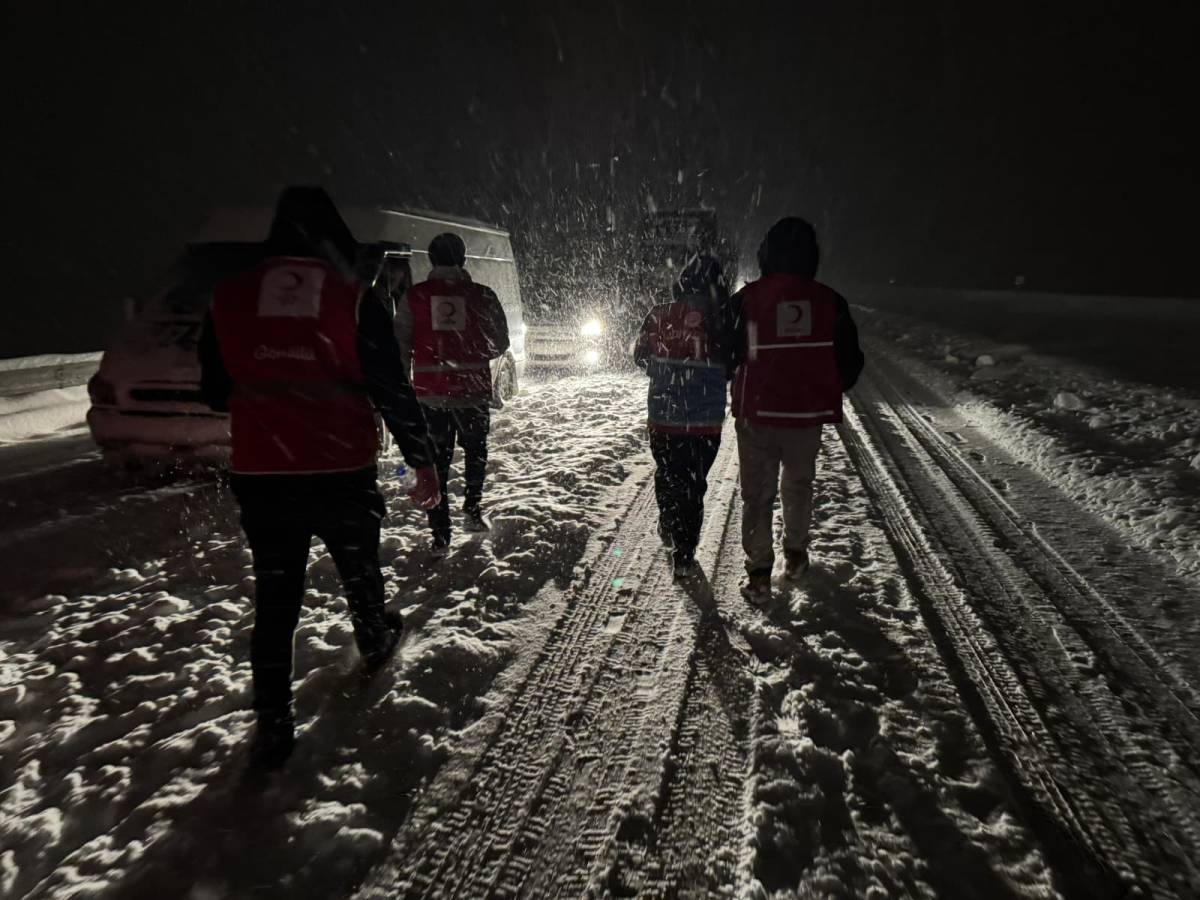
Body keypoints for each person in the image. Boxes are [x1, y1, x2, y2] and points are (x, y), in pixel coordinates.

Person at [198, 186, 440, 767]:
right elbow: (389, 387)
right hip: (339, 464)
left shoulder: (229, 297)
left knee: (276, 597)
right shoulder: (353, 299)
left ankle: (274, 723)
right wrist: (421, 459)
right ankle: (374, 638)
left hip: (263, 469)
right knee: (359, 563)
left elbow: (212, 390)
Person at [727, 217, 864, 603]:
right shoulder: (830, 301)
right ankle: (796, 554)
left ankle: (758, 573)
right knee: (798, 486)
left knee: (757, 493)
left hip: (757, 414)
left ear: (766, 254)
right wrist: (822, 386)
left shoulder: (747, 299)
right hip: (805, 417)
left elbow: (726, 350)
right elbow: (850, 363)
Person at [394, 232, 510, 554]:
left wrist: (403, 387)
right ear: (463, 259)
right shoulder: (482, 296)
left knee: (437, 463)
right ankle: (472, 510)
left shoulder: (415, 297)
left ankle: (439, 534)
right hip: (472, 394)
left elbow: (399, 348)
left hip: (430, 396)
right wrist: (470, 349)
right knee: (476, 453)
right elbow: (500, 341)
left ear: (431, 260)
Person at [634, 254, 731, 578]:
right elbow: (734, 363)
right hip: (705, 422)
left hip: (664, 415)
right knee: (694, 484)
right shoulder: (723, 318)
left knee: (667, 472)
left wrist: (666, 371)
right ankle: (685, 553)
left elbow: (640, 355)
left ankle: (668, 519)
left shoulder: (660, 314)